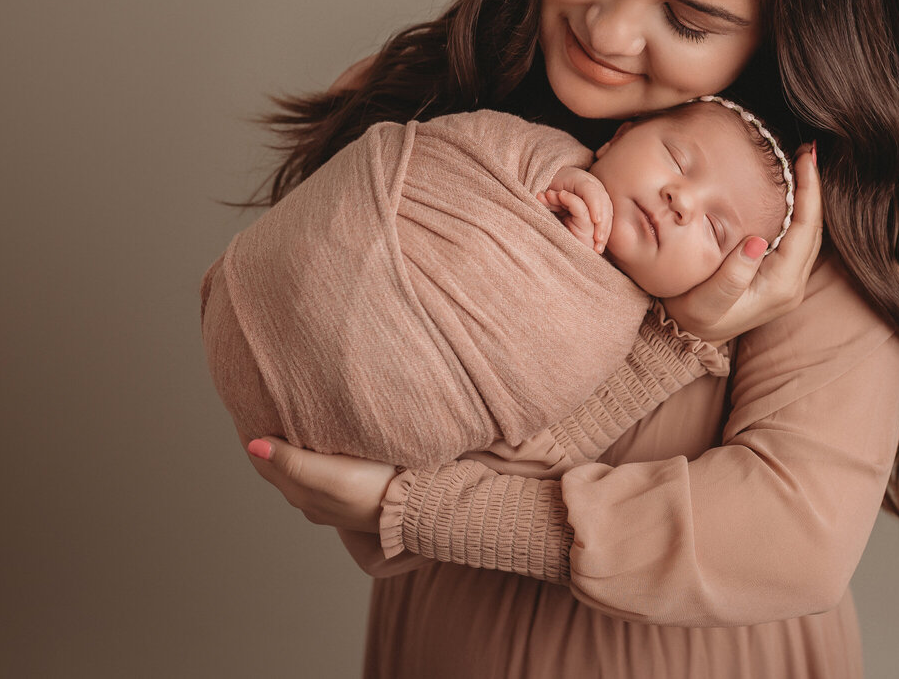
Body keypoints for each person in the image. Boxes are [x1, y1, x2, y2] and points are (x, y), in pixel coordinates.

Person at [235, 0, 899, 677]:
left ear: (785, 31)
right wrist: (668, 344)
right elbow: (352, 454)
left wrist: (423, 508)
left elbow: (790, 538)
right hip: (452, 650)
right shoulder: (422, 118)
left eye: (690, 20)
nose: (609, 30)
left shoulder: (798, 224)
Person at [202, 96, 793, 469]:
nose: (681, 200)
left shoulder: (624, 340)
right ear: (619, 134)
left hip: (359, 430)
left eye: (716, 231)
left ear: (726, 275)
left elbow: (523, 455)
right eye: (676, 159)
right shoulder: (533, 147)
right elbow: (445, 150)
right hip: (269, 293)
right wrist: (556, 182)